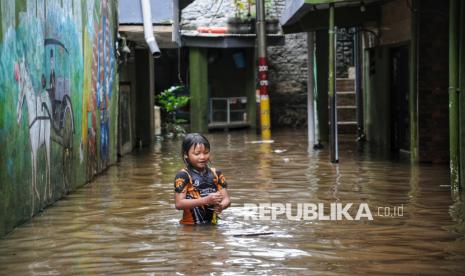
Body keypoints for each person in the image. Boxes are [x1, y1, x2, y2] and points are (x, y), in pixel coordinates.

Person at [174, 133, 230, 225]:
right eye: (197, 154)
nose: (202, 157)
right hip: (190, 228)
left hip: (213, 225)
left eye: (206, 152)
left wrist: (221, 206)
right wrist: (206, 200)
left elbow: (227, 200)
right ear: (186, 154)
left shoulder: (216, 174)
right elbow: (179, 204)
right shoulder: (183, 175)